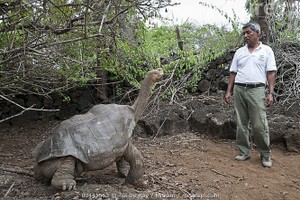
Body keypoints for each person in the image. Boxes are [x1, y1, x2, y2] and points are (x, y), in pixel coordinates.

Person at [224, 22, 277, 168]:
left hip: (257, 90)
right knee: (241, 124)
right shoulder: (240, 52)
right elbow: (233, 72)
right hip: (239, 90)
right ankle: (243, 152)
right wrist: (229, 91)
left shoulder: (266, 51)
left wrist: (270, 93)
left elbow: (271, 72)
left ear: (258, 32)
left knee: (259, 124)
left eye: (249, 33)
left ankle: (265, 154)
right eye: (244, 34)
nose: (246, 36)